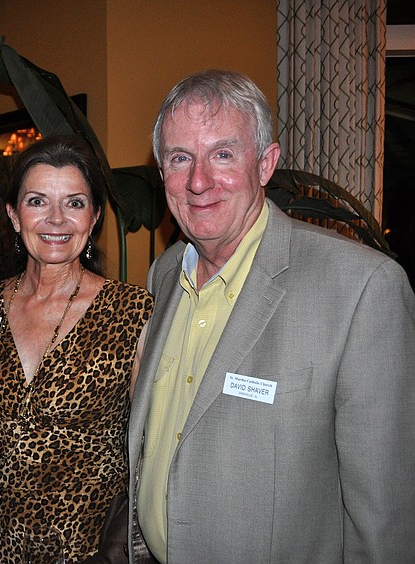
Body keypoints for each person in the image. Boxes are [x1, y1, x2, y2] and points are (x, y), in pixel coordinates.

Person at [128, 69, 415, 563]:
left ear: (265, 163)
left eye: (223, 154)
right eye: (180, 158)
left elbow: (383, 519)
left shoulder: (361, 288)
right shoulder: (165, 272)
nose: (198, 181)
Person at [0, 136, 153, 563]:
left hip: (88, 546)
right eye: (37, 201)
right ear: (14, 215)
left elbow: (150, 448)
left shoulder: (132, 311)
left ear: (94, 216)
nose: (56, 219)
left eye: (74, 203)